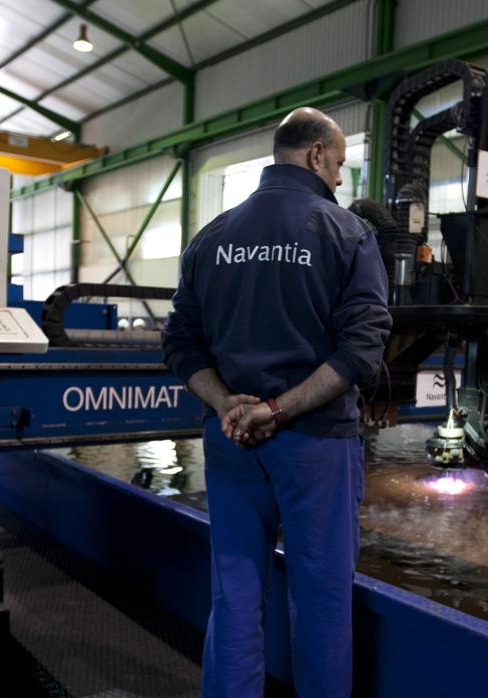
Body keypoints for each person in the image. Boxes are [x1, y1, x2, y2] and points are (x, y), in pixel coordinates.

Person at [162, 107, 391, 698]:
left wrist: (225, 405)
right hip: (314, 444)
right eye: (340, 164)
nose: (341, 179)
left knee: (234, 595)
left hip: (232, 438)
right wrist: (281, 411)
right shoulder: (347, 233)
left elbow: (180, 343)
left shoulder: (211, 236)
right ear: (317, 154)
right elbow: (361, 351)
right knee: (320, 601)